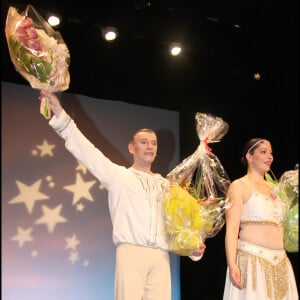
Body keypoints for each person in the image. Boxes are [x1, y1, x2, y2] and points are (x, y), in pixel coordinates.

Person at [39, 90, 206, 300]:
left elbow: (176, 225)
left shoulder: (167, 186)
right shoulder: (119, 176)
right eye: (144, 142)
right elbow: (86, 150)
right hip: (131, 254)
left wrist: (192, 249)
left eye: (153, 143)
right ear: (131, 147)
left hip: (161, 257)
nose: (150, 146)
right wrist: (59, 113)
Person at [223, 138, 298, 300]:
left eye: (270, 152)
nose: (269, 156)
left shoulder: (276, 188)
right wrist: (232, 263)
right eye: (263, 152)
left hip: (281, 262)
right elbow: (232, 228)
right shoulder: (239, 186)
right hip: (252, 261)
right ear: (250, 157)